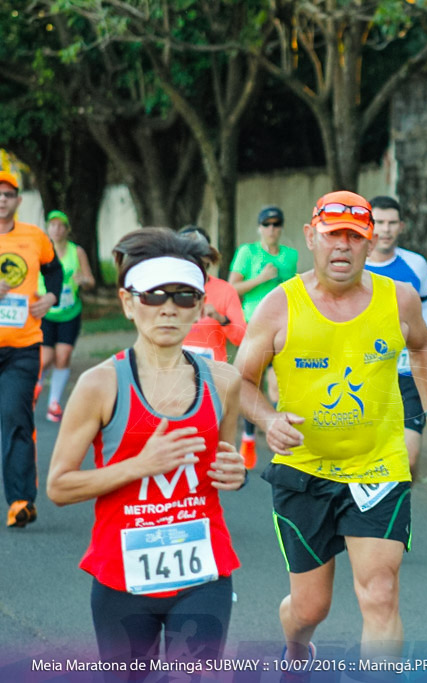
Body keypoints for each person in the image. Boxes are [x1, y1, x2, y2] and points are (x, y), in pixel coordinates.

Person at [234, 190, 427, 670]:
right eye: (332, 234)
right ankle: (297, 648)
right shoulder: (279, 306)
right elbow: (242, 383)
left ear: (368, 243)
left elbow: (425, 348)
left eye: (354, 236)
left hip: (377, 466)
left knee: (380, 593)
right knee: (310, 607)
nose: (343, 246)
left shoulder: (397, 298)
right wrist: (269, 420)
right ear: (311, 237)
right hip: (304, 473)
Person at [46, 227, 246, 676]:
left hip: (203, 572)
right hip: (121, 574)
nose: (169, 309)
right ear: (128, 302)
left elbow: (224, 465)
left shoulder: (223, 380)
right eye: (154, 296)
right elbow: (59, 486)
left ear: (199, 305)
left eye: (184, 296)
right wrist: (141, 464)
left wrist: (234, 473)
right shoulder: (100, 384)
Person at [364, 196, 427, 480]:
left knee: (409, 460)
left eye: (391, 223)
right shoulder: (353, 266)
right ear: (368, 226)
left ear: (401, 226)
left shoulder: (416, 264)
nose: (385, 230)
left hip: (407, 371)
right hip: (366, 373)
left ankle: (396, 511)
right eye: (379, 223)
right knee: (367, 455)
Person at [0, 170, 63, 527]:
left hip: (23, 347)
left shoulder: (34, 237)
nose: (2, 200)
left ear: (18, 200)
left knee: (15, 419)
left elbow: (54, 272)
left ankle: (20, 501)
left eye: (8, 194)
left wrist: (51, 296)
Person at [229, 205, 298, 468]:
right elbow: (232, 287)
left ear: (281, 228)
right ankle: (248, 438)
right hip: (253, 326)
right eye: (266, 225)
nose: (272, 229)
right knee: (251, 383)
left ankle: (282, 433)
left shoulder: (290, 255)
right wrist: (261, 278)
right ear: (259, 228)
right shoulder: (248, 252)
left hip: (283, 326)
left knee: (278, 383)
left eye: (276, 224)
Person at [37, 209, 96, 422]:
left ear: (67, 229)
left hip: (70, 313)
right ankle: (34, 391)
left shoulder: (76, 252)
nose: (57, 229)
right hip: (45, 312)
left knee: (63, 356)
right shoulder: (41, 250)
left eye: (61, 225)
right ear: (48, 228)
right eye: (53, 225)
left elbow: (90, 280)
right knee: (45, 359)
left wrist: (84, 281)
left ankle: (54, 403)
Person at [178, 225, 246, 364]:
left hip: (212, 377)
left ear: (207, 259)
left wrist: (220, 318)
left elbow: (241, 338)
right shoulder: (167, 290)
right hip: (175, 376)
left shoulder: (225, 290)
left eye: (197, 257)